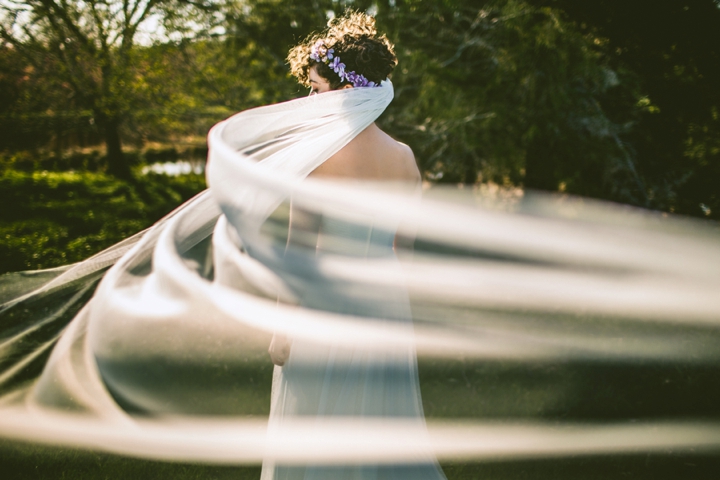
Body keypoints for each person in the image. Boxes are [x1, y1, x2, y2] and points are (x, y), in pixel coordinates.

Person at [259, 12, 447, 480]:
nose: (310, 99)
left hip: (326, 306)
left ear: (344, 92)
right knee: (377, 427)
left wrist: (282, 327)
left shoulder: (318, 160)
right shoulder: (404, 159)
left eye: (317, 89)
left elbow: (298, 249)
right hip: (385, 307)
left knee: (314, 430)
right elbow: (404, 244)